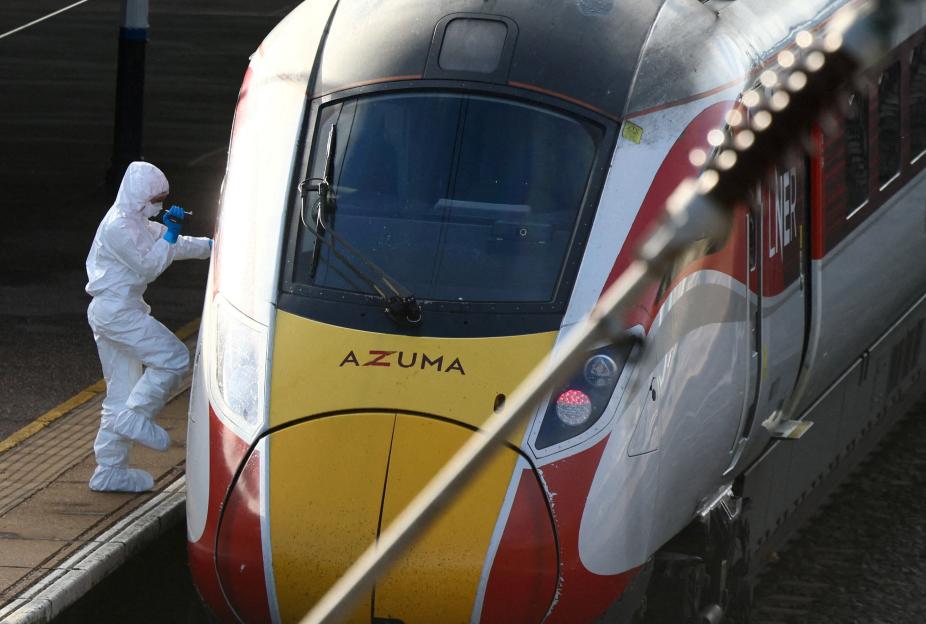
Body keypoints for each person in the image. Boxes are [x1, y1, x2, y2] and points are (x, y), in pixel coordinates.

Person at [85, 161, 212, 492]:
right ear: (139, 194)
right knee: (173, 357)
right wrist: (169, 234)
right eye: (156, 198)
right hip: (117, 312)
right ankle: (136, 415)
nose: (160, 205)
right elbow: (149, 266)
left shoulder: (137, 221)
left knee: (120, 393)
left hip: (117, 311)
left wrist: (215, 248)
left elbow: (176, 246)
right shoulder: (118, 227)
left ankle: (109, 469)